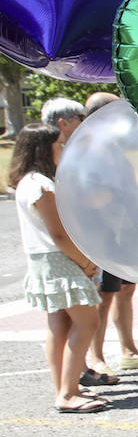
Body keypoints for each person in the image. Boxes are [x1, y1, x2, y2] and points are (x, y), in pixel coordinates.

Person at [10, 123, 110, 413]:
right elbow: (59, 235)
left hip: (44, 260)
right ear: (44, 149)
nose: (64, 150)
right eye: (60, 145)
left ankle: (65, 388)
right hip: (59, 259)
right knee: (87, 322)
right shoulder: (42, 185)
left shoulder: (28, 182)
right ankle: (67, 393)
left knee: (59, 325)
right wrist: (86, 262)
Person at [82, 91, 138, 376]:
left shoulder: (119, 147)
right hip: (106, 233)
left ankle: (129, 351)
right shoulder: (89, 150)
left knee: (126, 290)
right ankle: (96, 356)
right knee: (104, 295)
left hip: (130, 228)